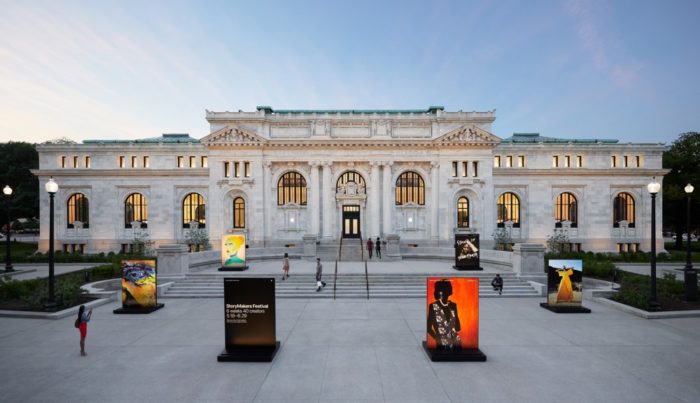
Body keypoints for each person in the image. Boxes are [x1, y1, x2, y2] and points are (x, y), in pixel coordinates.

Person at [426, 279, 461, 349]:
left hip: (456, 343)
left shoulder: (453, 305)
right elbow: (428, 328)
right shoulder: (433, 306)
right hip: (441, 344)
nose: (450, 289)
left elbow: (458, 327)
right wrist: (437, 339)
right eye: (448, 288)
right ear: (440, 292)